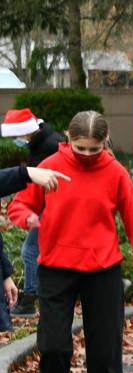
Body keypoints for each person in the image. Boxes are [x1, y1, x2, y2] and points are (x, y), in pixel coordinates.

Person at [7, 111, 133, 373]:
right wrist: (30, 217)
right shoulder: (50, 164)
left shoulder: (116, 173)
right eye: (81, 148)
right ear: (67, 138)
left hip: (102, 270)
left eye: (95, 149)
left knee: (105, 352)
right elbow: (18, 204)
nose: (88, 155)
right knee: (53, 346)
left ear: (105, 143)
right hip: (56, 268)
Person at [2, 108, 66, 316]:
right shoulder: (44, 141)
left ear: (25, 131)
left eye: (15, 136)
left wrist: (30, 208)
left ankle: (29, 298)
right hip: (54, 206)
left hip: (53, 207)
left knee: (30, 250)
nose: (15, 140)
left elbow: (40, 181)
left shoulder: (47, 147)